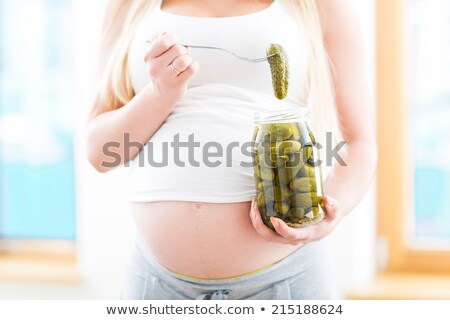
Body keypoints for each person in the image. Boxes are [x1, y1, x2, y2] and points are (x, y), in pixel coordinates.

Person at [86, 0, 377, 300]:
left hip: (284, 282)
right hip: (156, 285)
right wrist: (160, 93)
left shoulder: (320, 6)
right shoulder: (128, 6)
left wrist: (325, 219)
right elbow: (101, 152)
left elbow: (359, 143)